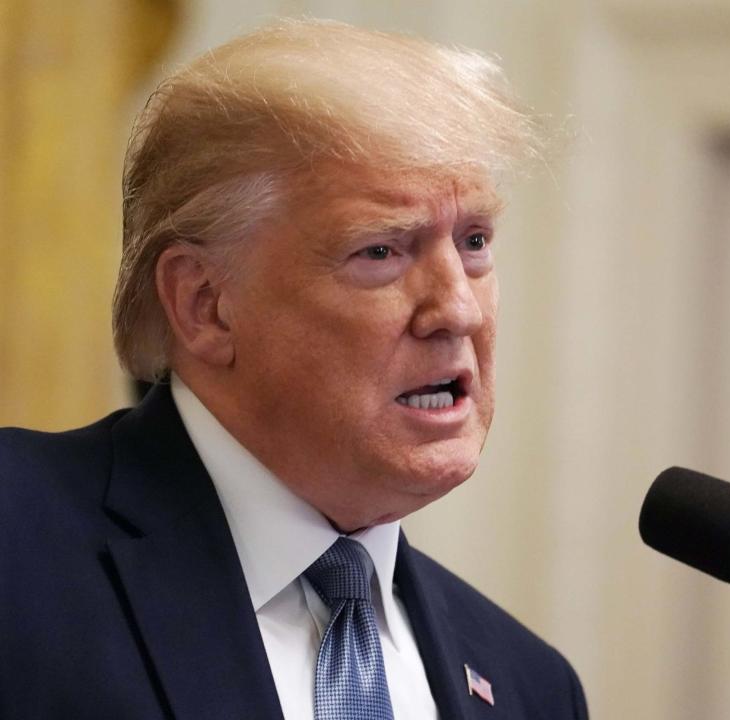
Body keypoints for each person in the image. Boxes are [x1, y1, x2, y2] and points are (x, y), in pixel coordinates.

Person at [0, 18, 588, 720]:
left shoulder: (530, 684)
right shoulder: (20, 542)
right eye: (381, 252)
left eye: (474, 242)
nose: (458, 310)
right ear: (206, 305)